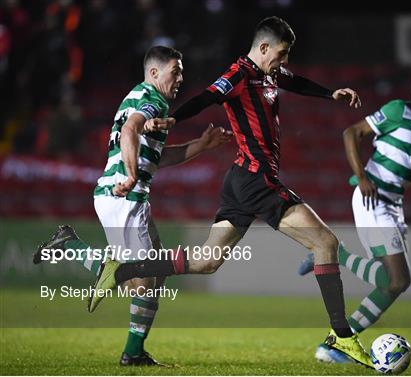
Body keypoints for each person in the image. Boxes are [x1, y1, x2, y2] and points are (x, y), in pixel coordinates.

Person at [88, 16, 375, 368]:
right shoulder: (239, 74)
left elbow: (295, 81)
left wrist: (330, 93)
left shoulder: (271, 73)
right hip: (255, 178)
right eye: (282, 54)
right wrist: (175, 119)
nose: (284, 62)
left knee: (208, 262)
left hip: (241, 180)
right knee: (326, 243)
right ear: (264, 47)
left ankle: (122, 274)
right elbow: (208, 96)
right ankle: (342, 336)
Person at [33, 45, 232, 366]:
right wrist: (128, 174)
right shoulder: (151, 100)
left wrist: (201, 145)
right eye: (175, 71)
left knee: (154, 276)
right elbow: (129, 130)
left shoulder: (144, 99)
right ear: (154, 73)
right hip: (124, 196)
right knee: (139, 280)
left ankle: (135, 351)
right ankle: (70, 247)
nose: (181, 77)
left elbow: (158, 156)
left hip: (125, 196)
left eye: (181, 71)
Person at [297, 68, 411, 362]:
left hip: (394, 204)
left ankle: (336, 342)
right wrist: (361, 176)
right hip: (373, 196)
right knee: (397, 280)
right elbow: (351, 133)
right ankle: (337, 330)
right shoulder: (398, 109)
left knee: (392, 282)